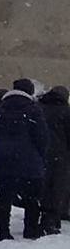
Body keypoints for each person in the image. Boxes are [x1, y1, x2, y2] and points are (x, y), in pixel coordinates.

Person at [0, 79, 52, 241]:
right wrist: (40, 155)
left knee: (4, 195)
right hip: (29, 160)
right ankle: (30, 229)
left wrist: (0, 147)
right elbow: (42, 137)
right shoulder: (34, 110)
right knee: (32, 197)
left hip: (3, 159)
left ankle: (3, 231)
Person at [41, 86, 70, 237]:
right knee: (57, 188)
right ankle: (52, 219)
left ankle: (39, 218)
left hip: (41, 153)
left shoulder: (40, 108)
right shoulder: (66, 111)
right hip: (60, 154)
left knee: (43, 187)